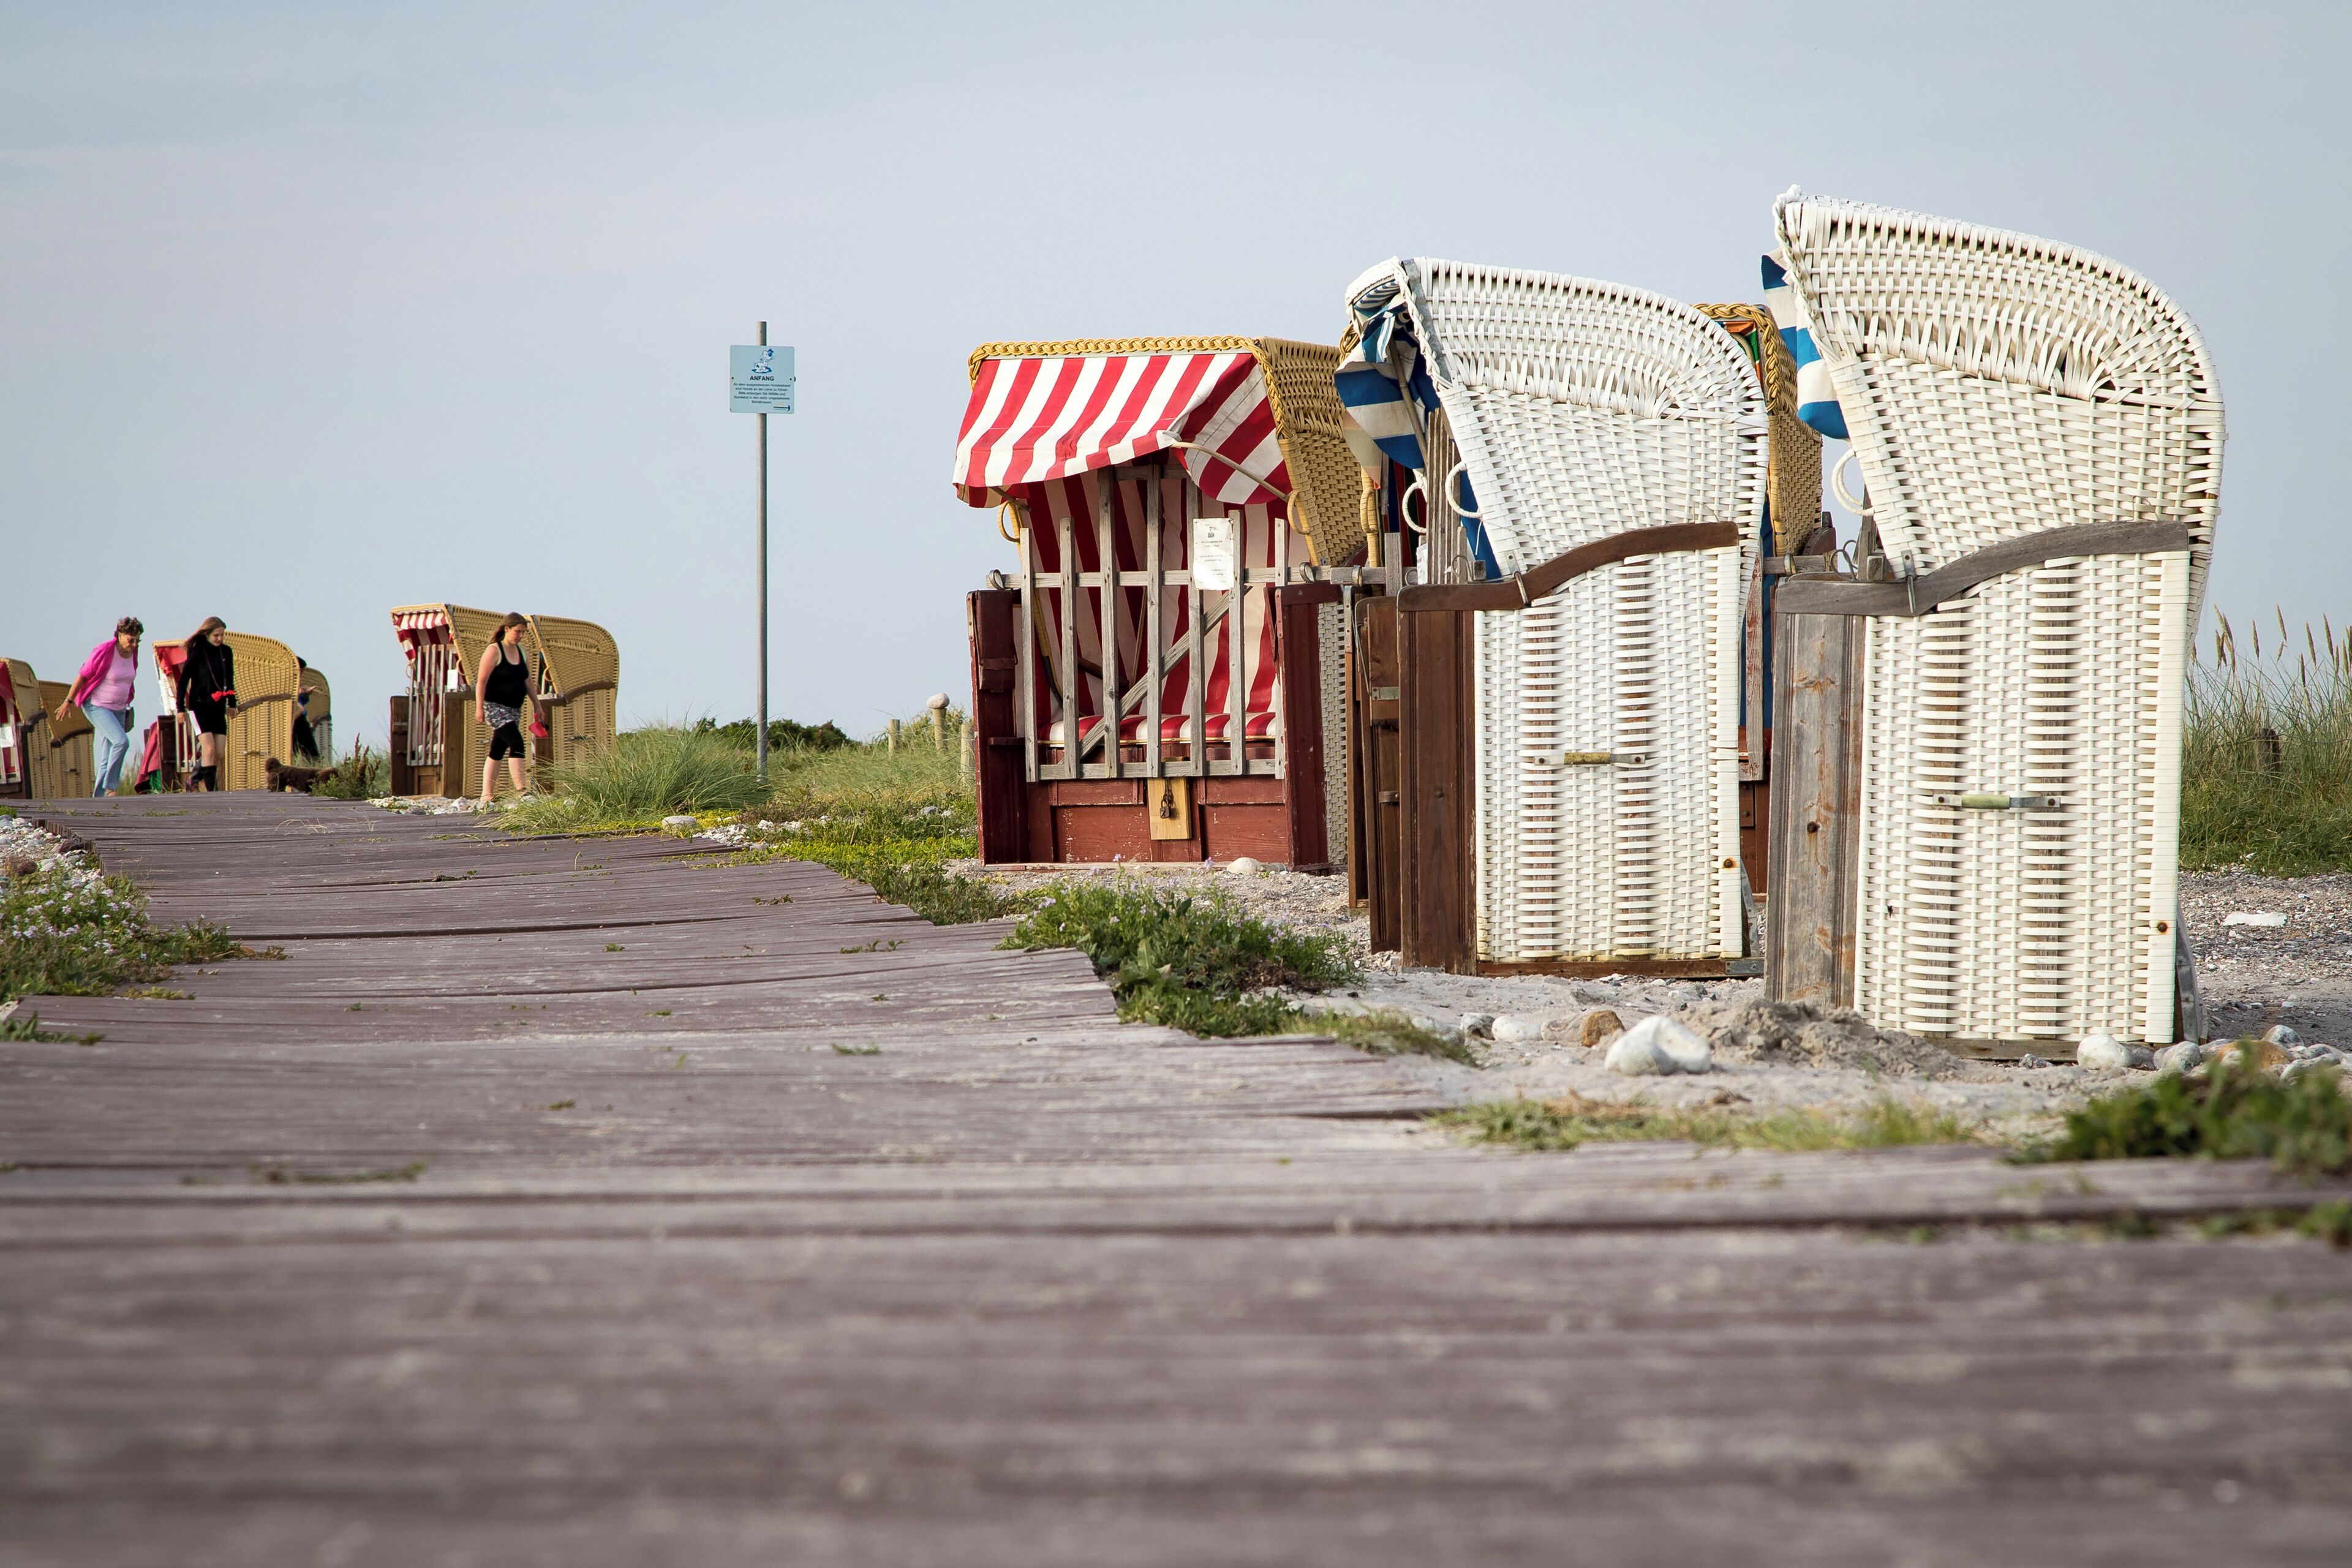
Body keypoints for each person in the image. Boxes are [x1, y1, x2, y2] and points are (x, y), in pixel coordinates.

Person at [56, 617, 143, 796]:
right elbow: (83, 675)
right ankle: (111, 787)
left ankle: (99, 799)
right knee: (121, 742)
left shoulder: (133, 652)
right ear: (120, 635)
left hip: (119, 708)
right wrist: (68, 701)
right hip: (97, 706)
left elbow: (129, 677)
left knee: (108, 754)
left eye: (137, 640)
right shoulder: (105, 650)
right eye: (131, 640)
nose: (134, 644)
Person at [475, 612, 533, 804]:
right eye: (518, 631)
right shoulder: (494, 650)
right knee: (517, 742)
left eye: (524, 632)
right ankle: (523, 791)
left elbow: (528, 680)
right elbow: (482, 681)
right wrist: (479, 708)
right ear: (507, 629)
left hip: (515, 708)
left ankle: (486, 794)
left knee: (498, 748)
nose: (520, 635)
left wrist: (538, 705)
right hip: (495, 706)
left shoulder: (521, 651)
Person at [176, 617, 236, 791]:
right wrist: (181, 709)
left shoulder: (226, 652)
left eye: (222, 635)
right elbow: (183, 681)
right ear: (207, 634)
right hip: (199, 706)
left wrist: (232, 704)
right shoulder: (197, 652)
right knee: (208, 749)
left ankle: (194, 777)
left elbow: (229, 680)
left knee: (219, 753)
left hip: (218, 707)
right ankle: (212, 793)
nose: (219, 638)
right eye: (216, 635)